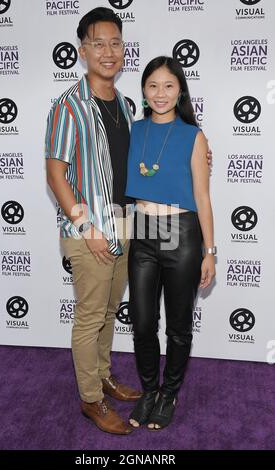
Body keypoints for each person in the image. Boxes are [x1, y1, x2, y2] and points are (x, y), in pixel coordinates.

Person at [45, 7, 141, 435]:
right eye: (98, 43)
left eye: (115, 43)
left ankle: (103, 374)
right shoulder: (68, 106)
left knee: (106, 311)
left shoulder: (123, 102)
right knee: (89, 317)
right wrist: (87, 228)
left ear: (124, 50)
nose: (108, 51)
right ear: (83, 50)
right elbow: (56, 174)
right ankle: (90, 399)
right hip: (91, 233)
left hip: (122, 225)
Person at [125, 56, 216, 430]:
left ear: (180, 91)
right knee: (143, 322)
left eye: (168, 86)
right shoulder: (134, 131)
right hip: (143, 231)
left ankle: (169, 393)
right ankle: (149, 390)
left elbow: (202, 195)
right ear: (144, 92)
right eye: (152, 86)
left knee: (178, 326)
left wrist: (210, 251)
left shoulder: (194, 136)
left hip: (182, 233)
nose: (160, 93)